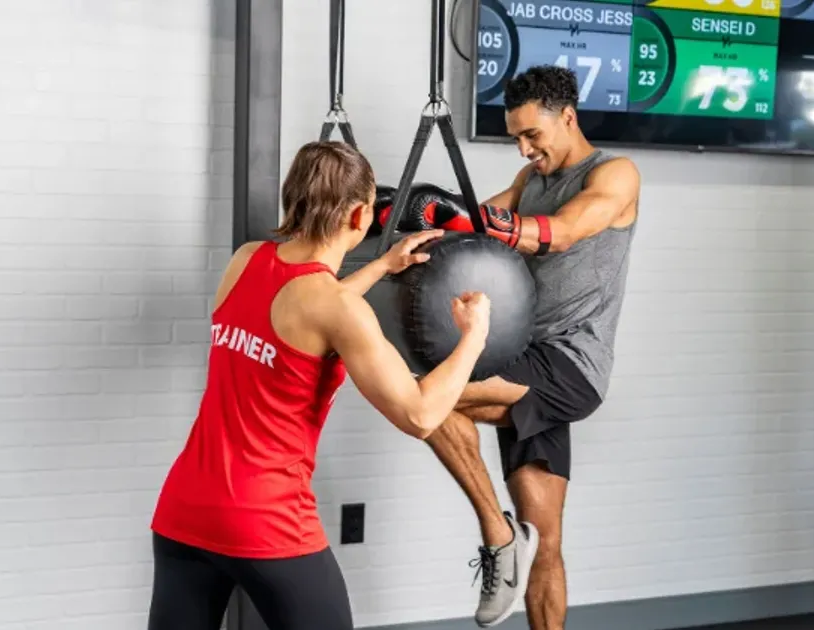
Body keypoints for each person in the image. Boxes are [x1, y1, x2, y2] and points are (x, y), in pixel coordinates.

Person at [146, 141, 493, 630]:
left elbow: (296, 316)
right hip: (268, 518)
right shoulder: (336, 308)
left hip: (185, 510)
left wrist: (380, 267)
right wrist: (475, 336)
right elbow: (420, 415)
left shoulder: (245, 261)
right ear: (358, 216)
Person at [422, 65, 642, 629]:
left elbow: (562, 232)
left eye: (532, 136)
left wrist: (473, 220)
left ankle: (498, 536)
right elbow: (468, 222)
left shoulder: (615, 175)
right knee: (545, 543)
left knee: (422, 395)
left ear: (567, 117)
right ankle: (514, 539)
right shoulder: (530, 181)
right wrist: (410, 218)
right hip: (525, 361)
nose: (523, 150)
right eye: (516, 138)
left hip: (571, 366)